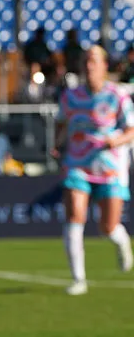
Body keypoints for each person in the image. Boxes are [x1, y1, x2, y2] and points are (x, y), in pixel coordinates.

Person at [56, 45, 134, 296]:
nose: (89, 66)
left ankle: (121, 241)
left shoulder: (117, 95)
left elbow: (131, 130)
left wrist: (116, 141)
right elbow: (60, 123)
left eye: (94, 61)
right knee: (74, 215)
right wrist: (57, 145)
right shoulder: (71, 96)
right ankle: (78, 279)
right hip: (77, 163)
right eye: (86, 61)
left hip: (110, 166)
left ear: (104, 66)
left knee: (108, 227)